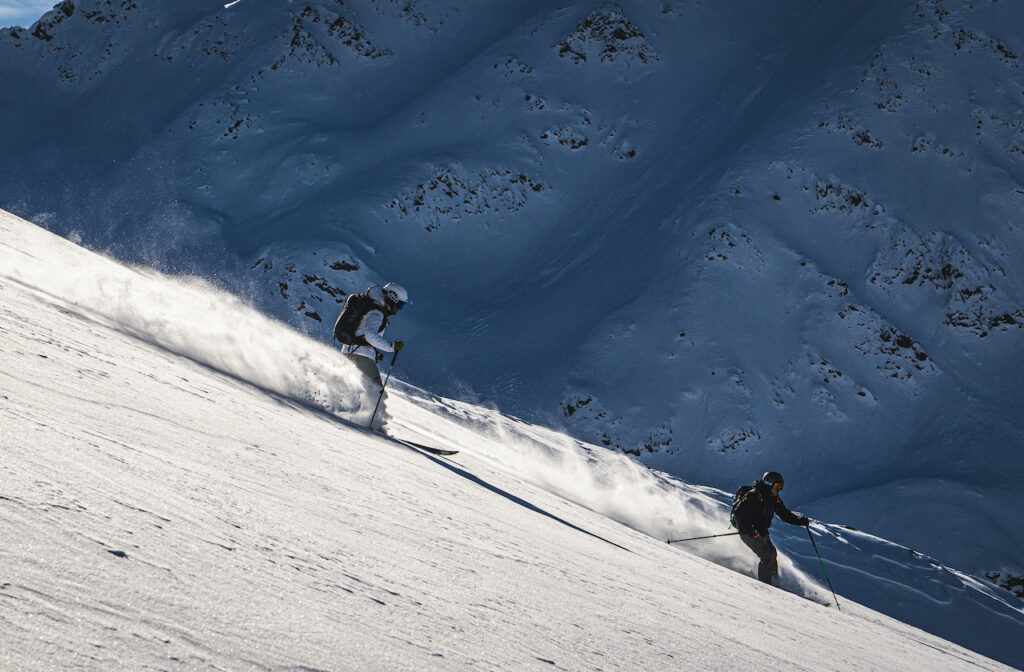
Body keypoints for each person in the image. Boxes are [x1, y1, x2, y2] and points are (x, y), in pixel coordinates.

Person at [333, 282, 409, 430]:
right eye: (400, 305)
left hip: (350, 353)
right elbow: (370, 336)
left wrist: (376, 352)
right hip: (360, 356)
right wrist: (391, 346)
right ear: (392, 299)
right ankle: (373, 425)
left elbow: (363, 335)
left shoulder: (372, 308)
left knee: (357, 388)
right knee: (376, 390)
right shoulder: (377, 312)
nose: (399, 310)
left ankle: (348, 415)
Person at [731, 471, 809, 585]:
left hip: (761, 531)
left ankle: (775, 580)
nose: (779, 490)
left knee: (772, 552)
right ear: (769, 484)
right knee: (767, 555)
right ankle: (766, 585)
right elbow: (739, 514)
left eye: (781, 487)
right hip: (748, 532)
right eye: (777, 486)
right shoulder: (754, 496)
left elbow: (784, 514)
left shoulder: (773, 498)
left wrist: (801, 521)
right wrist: (750, 530)